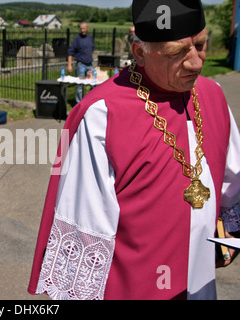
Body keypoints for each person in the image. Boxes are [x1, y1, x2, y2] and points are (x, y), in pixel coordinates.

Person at [29, 0, 239, 300]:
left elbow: (233, 182)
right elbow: (87, 223)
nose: (196, 62)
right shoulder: (103, 113)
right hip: (135, 288)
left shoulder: (212, 95)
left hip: (200, 281)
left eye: (201, 45)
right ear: (140, 52)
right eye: (177, 52)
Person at [67, 22, 95, 103]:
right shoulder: (77, 39)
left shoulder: (90, 38)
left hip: (89, 64)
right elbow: (71, 52)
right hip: (81, 64)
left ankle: (91, 101)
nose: (82, 30)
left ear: (87, 28)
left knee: (93, 83)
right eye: (81, 29)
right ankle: (79, 103)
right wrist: (69, 65)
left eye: (84, 28)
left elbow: (92, 49)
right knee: (80, 85)